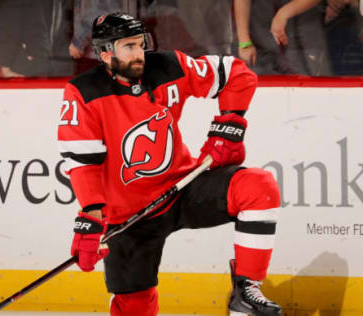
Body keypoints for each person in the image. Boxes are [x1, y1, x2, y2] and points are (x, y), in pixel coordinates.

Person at [58, 12, 282, 316]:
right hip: (130, 217)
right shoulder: (83, 92)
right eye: (129, 47)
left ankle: (246, 290)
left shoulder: (167, 66)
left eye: (141, 44)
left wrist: (228, 125)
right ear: (105, 52)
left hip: (182, 188)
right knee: (135, 307)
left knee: (259, 187)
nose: (139, 54)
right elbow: (83, 163)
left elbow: (237, 74)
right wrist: (91, 219)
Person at [234, 0, 331, 76]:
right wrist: (244, 41)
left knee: (312, 91)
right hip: (260, 41)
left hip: (304, 39)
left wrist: (284, 13)